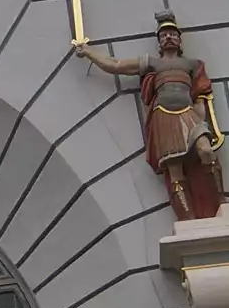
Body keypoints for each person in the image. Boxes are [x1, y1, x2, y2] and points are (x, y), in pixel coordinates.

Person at [74, 11, 223, 220]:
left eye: (173, 34)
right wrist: (89, 52)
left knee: (206, 151)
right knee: (175, 170)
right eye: (164, 35)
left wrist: (201, 119)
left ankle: (220, 201)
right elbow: (116, 65)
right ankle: (187, 218)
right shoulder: (152, 63)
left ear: (180, 40)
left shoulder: (192, 64)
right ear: (159, 42)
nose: (168, 37)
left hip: (189, 115)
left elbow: (200, 97)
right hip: (164, 117)